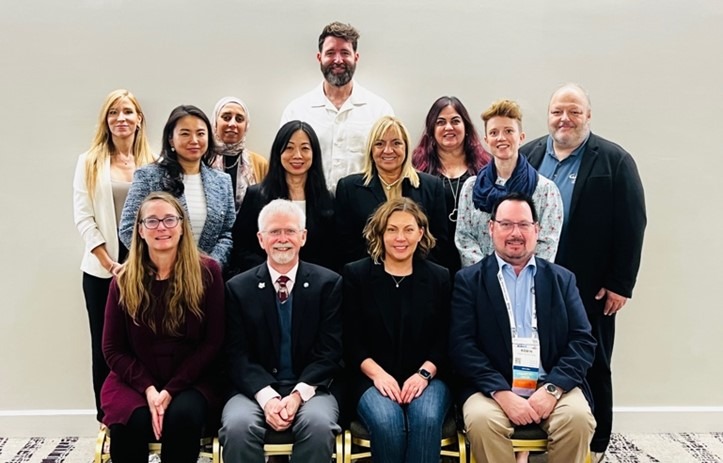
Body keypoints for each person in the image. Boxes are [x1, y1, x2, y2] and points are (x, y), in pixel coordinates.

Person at [521, 83, 647, 462]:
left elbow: (632, 223)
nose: (565, 118)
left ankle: (596, 444)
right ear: (548, 115)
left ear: (588, 116)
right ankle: (534, 433)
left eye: (574, 111)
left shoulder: (613, 161)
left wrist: (620, 283)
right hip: (530, 283)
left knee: (594, 361)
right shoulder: (528, 156)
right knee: (531, 356)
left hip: (588, 289)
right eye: (558, 111)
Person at [449, 193, 597, 463]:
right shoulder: (469, 281)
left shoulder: (561, 280)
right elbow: (462, 346)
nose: (515, 233)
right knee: (482, 422)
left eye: (523, 225)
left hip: (551, 382)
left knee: (577, 419)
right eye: (506, 224)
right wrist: (503, 394)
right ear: (491, 228)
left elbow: (582, 342)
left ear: (536, 230)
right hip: (492, 388)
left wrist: (552, 390)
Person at [101, 192, 225, 463]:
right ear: (140, 231)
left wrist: (170, 390)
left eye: (170, 220)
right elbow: (112, 349)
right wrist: (148, 389)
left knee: (182, 418)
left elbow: (213, 342)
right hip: (134, 379)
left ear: (182, 226)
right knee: (131, 421)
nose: (162, 228)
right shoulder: (123, 280)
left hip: (194, 378)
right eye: (152, 221)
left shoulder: (208, 272)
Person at [220, 199, 342, 463]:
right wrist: (268, 398)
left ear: (303, 237)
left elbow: (330, 352)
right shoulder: (237, 289)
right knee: (237, 427)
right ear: (261, 239)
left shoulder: (328, 284)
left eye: (290, 231)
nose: (283, 239)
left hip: (312, 388)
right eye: (274, 232)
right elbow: (236, 355)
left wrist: (297, 396)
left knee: (319, 426)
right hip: (253, 390)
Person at [343, 198, 451, 463]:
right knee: (387, 421)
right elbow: (350, 340)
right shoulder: (356, 275)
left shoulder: (440, 277)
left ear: (420, 233)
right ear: (380, 233)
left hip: (429, 376)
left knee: (425, 418)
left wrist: (424, 374)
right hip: (370, 377)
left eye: (408, 229)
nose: (400, 238)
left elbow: (446, 337)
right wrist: (378, 375)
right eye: (392, 229)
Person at [73, 89, 155, 421]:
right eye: (113, 113)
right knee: (105, 348)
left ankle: (145, 417)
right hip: (102, 271)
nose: (120, 118)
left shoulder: (154, 161)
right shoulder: (89, 161)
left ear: (139, 119)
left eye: (127, 112)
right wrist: (109, 262)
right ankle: (107, 417)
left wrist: (142, 265)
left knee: (146, 345)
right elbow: (83, 216)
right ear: (106, 121)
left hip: (147, 270)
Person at [280, 21, 394, 191]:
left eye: (345, 53)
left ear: (356, 57)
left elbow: (391, 163)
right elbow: (283, 164)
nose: (338, 60)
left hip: (363, 210)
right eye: (330, 53)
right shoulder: (297, 111)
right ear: (319, 57)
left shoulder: (379, 111)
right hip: (312, 207)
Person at [119, 105, 235, 269]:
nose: (194, 140)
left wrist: (211, 265)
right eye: (185, 133)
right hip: (158, 275)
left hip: (207, 278)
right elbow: (128, 228)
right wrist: (164, 263)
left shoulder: (222, 181)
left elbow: (227, 234)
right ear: (171, 139)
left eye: (200, 134)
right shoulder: (148, 176)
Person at [455, 99, 563, 268]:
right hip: (481, 282)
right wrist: (490, 274)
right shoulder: (471, 187)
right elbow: (464, 238)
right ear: (486, 140)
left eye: (508, 131)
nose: (501, 138)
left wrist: (515, 274)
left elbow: (547, 243)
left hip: (528, 282)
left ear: (521, 137)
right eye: (494, 133)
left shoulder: (546, 190)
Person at [335, 116, 450, 269]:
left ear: (406, 147)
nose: (388, 150)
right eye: (380, 144)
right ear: (371, 149)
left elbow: (438, 243)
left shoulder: (431, 186)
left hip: (418, 277)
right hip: (366, 279)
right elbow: (344, 246)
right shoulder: (349, 188)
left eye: (396, 143)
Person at [229, 120, 335, 275]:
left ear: (314, 154)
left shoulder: (329, 200)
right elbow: (241, 246)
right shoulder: (257, 196)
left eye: (305, 148)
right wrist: (275, 272)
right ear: (278, 153)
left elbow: (333, 251)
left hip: (315, 285)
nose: (297, 155)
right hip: (266, 282)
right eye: (289, 148)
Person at [412, 96, 491, 273]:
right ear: (432, 130)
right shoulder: (416, 171)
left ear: (466, 127)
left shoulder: (487, 169)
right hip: (432, 263)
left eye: (455, 121)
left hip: (479, 262)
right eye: (441, 122)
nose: (449, 127)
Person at [211, 96, 268, 212]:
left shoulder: (260, 164)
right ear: (215, 122)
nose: (232, 124)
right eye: (226, 117)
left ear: (246, 125)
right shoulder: (203, 160)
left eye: (239, 119)